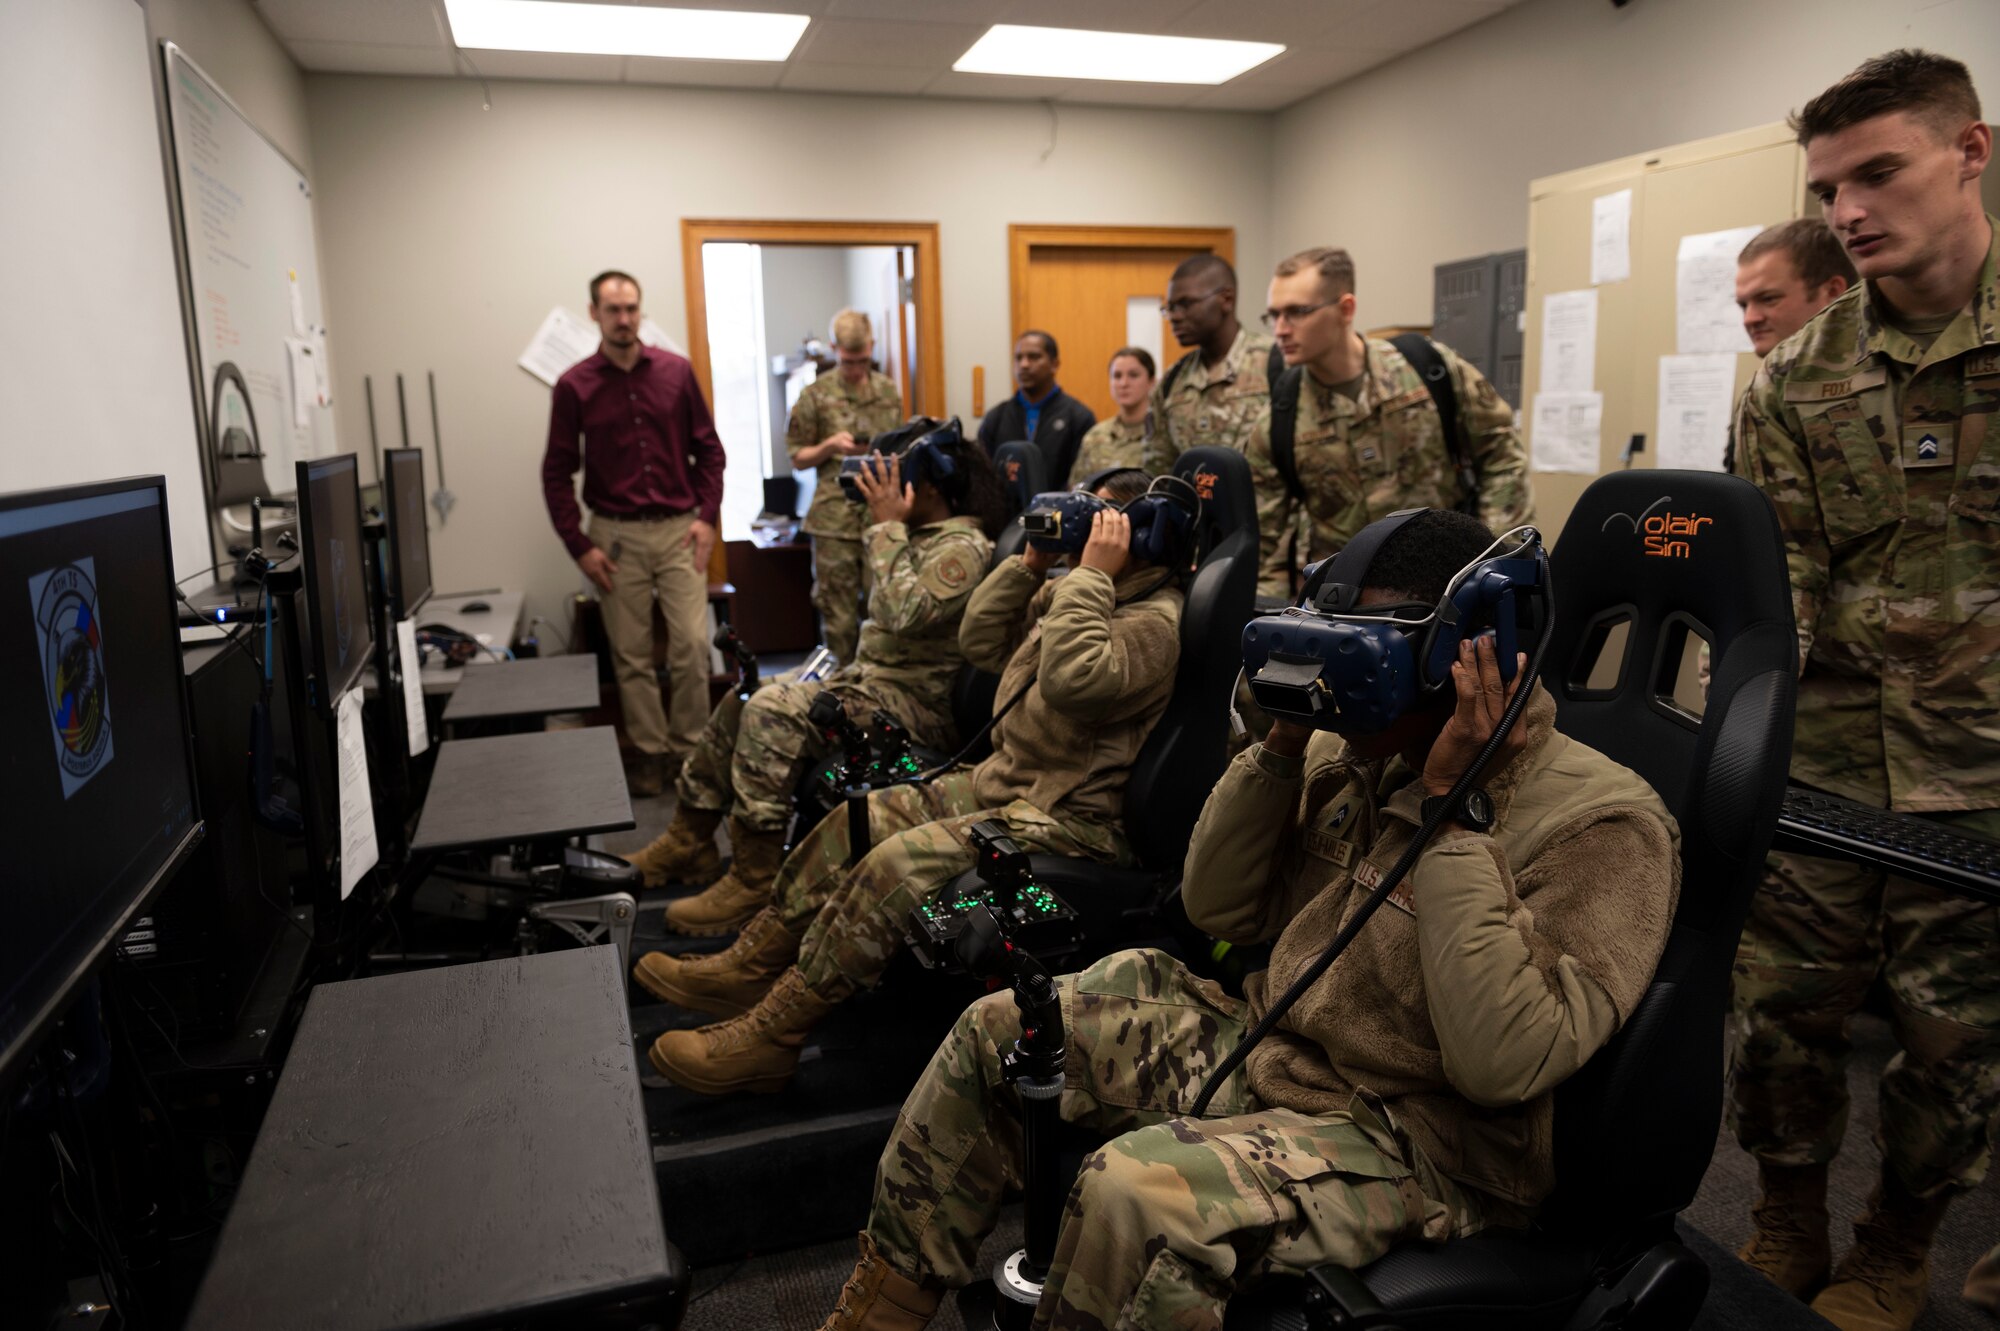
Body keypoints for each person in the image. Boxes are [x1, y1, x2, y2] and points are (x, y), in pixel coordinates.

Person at [814, 510, 1680, 1330]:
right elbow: (1219, 906)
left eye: (1364, 652)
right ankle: (884, 1304)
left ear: (1466, 654)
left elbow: (1504, 1062)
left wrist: (1452, 812)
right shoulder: (1359, 758)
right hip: (1274, 1049)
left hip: (1418, 1142)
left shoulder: (1604, 825)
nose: (1339, 681)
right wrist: (1280, 745)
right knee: (1003, 1031)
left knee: (1137, 1191)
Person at [1729, 50, 1998, 1331]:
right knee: (1781, 1016)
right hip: (1826, 766)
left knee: (1951, 1050)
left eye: (1874, 172)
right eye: (1827, 186)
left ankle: (1895, 1245)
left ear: (1970, 152)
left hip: (1986, 773)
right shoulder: (1795, 376)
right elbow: (1764, 600)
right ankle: (1785, 1215)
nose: (1845, 210)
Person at [644, 469, 1184, 1095]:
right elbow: (979, 640)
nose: (1091, 532)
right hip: (1005, 779)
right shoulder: (1083, 593)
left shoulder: (1152, 623)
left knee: (897, 861)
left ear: (1141, 534)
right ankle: (757, 958)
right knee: (865, 819)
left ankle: (775, 1033)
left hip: (1069, 815)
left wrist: (1088, 577)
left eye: (1107, 520)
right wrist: (1031, 566)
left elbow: (1071, 681)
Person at [621, 425, 1003, 940]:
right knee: (747, 697)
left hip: (916, 706)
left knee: (775, 708)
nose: (876, 488)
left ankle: (753, 878)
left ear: (928, 485)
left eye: (891, 476)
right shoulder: (918, 535)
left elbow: (903, 613)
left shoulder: (963, 545)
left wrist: (885, 528)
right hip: (873, 684)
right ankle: (689, 837)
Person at [1251, 248, 1533, 600]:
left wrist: (1492, 561)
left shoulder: (1427, 369)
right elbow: (1264, 539)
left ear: (1346, 309)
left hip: (1447, 594)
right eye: (1273, 315)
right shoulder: (1280, 419)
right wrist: (1277, 616)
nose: (1280, 330)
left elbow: (1502, 455)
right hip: (1343, 607)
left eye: (1297, 312)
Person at [542, 270, 723, 797]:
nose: (624, 319)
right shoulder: (574, 385)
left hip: (678, 530)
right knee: (631, 654)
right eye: (613, 310)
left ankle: (690, 752)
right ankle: (649, 754)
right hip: (613, 537)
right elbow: (556, 471)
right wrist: (579, 545)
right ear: (594, 313)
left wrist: (706, 518)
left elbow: (710, 451)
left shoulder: (676, 372)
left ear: (640, 312)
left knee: (691, 645)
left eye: (631, 309)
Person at [788, 309, 908, 665]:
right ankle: (837, 695)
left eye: (862, 359)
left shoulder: (888, 391)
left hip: (879, 515)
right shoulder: (815, 395)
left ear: (871, 347)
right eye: (847, 360)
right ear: (834, 348)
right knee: (838, 620)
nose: (855, 368)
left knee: (882, 609)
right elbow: (797, 456)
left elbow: (899, 446)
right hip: (833, 521)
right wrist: (830, 446)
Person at [1725, 219, 1856, 470]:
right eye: (1743, 305)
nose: (1750, 319)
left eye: (1769, 299)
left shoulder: (1877, 376)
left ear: (1832, 292)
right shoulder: (1766, 392)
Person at [1141, 253, 1276, 478]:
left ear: (1226, 300)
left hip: (1264, 512)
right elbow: (1158, 474)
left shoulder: (1275, 363)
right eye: (1170, 308)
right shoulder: (1172, 382)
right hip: (1195, 512)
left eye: (1185, 304)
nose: (1174, 316)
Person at [976, 331, 1096, 488]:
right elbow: (983, 478)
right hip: (1005, 510)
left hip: (1059, 510)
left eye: (1034, 357)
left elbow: (1083, 481)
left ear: (1054, 364)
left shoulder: (1079, 417)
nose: (1024, 365)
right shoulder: (996, 417)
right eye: (1018, 358)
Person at [1070, 347, 1155, 478]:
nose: (1123, 383)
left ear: (1151, 381)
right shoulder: (1095, 437)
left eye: (1133, 375)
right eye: (1117, 376)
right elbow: (1078, 490)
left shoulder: (1164, 433)